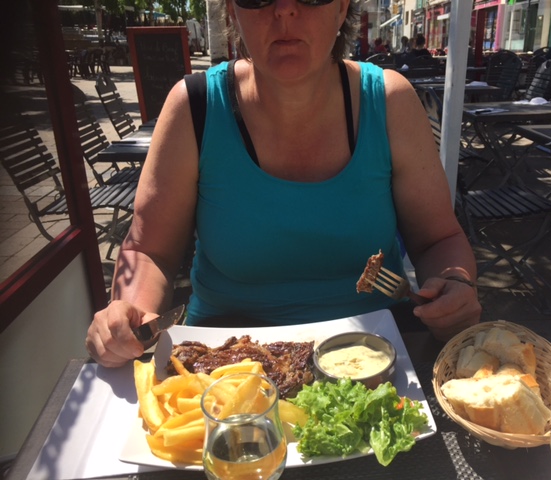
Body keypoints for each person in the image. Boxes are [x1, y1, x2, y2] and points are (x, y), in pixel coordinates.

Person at [86, 0, 482, 368]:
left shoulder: (389, 102)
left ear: (342, 7)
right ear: (232, 9)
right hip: (222, 363)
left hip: (375, 360)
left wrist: (454, 284)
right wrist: (128, 315)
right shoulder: (195, 107)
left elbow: (438, 239)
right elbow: (148, 250)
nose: (285, 9)